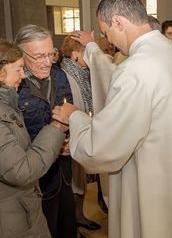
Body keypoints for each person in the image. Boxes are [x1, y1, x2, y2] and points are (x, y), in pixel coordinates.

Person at [52, 0, 172, 238]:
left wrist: (75, 117)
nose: (108, 40)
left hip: (153, 182)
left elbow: (101, 146)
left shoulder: (136, 68)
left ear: (119, 22)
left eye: (106, 31)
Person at [0, 39, 67, 238]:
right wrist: (57, 126)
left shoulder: (7, 103)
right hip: (12, 217)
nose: (23, 75)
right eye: (18, 69)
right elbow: (21, 171)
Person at [15, 25, 77, 238]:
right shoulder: (14, 86)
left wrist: (70, 139)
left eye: (50, 53)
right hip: (35, 181)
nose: (47, 61)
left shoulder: (59, 76)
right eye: (39, 56)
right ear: (21, 55)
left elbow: (70, 112)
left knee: (67, 226)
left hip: (63, 172)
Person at [60, 36, 105, 231]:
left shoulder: (82, 73)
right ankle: (74, 221)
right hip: (70, 136)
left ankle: (79, 217)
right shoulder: (65, 75)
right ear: (75, 55)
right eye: (86, 53)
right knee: (74, 183)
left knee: (81, 181)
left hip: (83, 130)